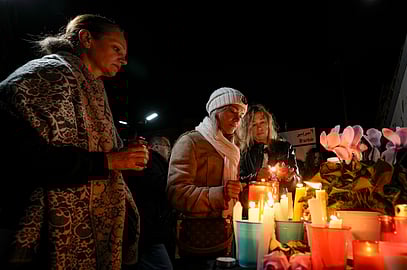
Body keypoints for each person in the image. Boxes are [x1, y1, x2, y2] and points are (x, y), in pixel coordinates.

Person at [0, 14, 149, 270]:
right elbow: (26, 158)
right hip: (41, 236)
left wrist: (128, 157)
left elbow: (99, 154)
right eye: (116, 49)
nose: (124, 60)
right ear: (86, 38)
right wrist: (111, 160)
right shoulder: (45, 76)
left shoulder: (93, 88)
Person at [166, 87, 246, 266]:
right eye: (231, 111)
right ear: (215, 113)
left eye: (241, 114)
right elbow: (176, 194)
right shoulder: (191, 142)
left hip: (226, 236)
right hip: (196, 241)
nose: (237, 118)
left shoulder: (233, 149)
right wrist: (221, 194)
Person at [238, 104, 300, 212]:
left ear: (269, 124)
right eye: (254, 124)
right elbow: (237, 181)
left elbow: (298, 180)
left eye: (262, 122)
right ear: (248, 129)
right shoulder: (243, 153)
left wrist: (289, 177)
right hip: (252, 208)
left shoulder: (285, 147)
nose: (259, 128)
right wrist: (255, 177)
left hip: (281, 207)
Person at [127, 136, 174, 270]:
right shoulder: (152, 160)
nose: (170, 151)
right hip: (149, 228)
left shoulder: (157, 163)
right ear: (156, 147)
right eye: (167, 147)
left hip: (149, 227)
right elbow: (158, 185)